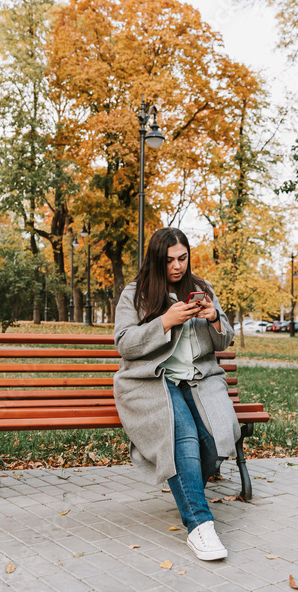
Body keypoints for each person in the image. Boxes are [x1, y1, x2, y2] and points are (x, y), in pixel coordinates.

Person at [113, 228, 238, 562]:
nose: (177, 266)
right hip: (152, 381)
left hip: (199, 380)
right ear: (156, 260)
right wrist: (165, 322)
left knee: (213, 440)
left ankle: (186, 485)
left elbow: (224, 340)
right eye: (169, 260)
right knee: (181, 435)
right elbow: (124, 343)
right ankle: (200, 524)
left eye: (183, 258)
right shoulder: (135, 293)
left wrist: (214, 318)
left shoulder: (201, 288)